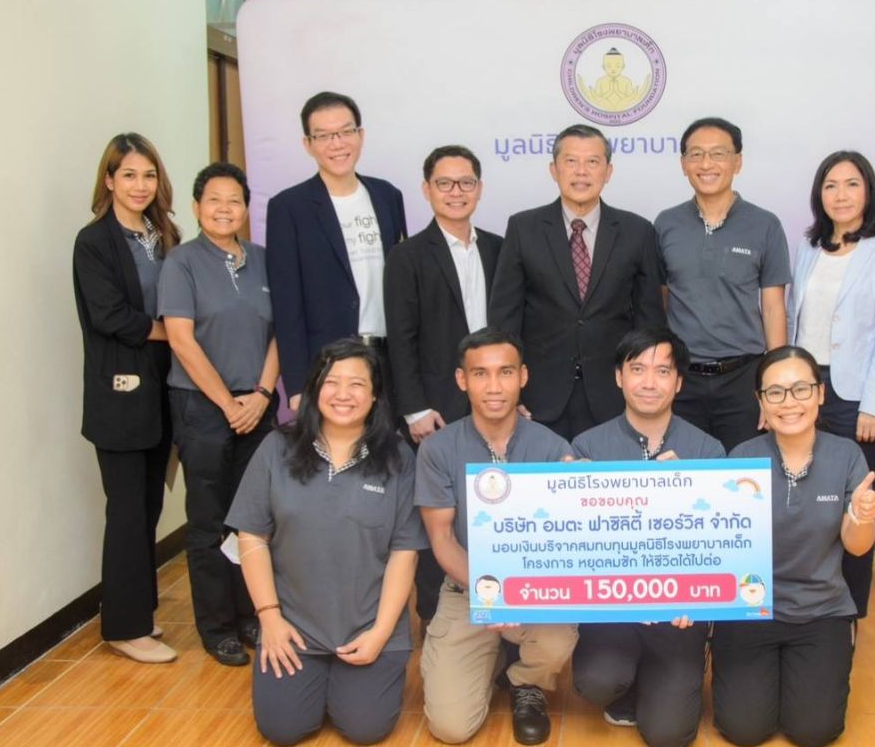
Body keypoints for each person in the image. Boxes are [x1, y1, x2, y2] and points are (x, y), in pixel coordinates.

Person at [226, 338, 425, 745]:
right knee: (282, 730)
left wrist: (381, 632)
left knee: (365, 729)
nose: (343, 394)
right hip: (292, 627)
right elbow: (252, 536)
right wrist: (270, 618)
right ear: (315, 389)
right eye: (332, 382)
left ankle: (350, 682)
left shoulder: (398, 457)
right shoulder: (276, 448)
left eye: (357, 384)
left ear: (375, 395)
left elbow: (404, 553)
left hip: (368, 627)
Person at [415, 328, 578, 745]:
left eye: (505, 372)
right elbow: (442, 539)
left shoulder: (553, 447)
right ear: (461, 379)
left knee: (558, 638)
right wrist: (495, 592)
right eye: (480, 374)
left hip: (537, 593)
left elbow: (571, 536)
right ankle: (485, 660)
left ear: (522, 376)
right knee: (451, 728)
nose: (493, 386)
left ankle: (526, 681)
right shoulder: (437, 449)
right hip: (467, 589)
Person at [714, 347, 875, 747]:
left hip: (822, 610)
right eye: (775, 392)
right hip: (752, 609)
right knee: (744, 730)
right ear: (761, 401)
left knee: (813, 731)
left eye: (801, 389)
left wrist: (861, 517)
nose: (789, 402)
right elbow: (722, 546)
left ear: (820, 393)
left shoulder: (846, 455)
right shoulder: (742, 457)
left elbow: (857, 548)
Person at [569, 327, 725, 747]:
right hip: (611, 613)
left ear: (679, 382)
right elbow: (573, 547)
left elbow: (720, 545)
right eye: (637, 369)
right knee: (597, 681)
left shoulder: (708, 451)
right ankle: (630, 682)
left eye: (662, 371)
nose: (649, 382)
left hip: (679, 615)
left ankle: (668, 679)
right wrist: (572, 495)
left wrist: (686, 489)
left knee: (669, 735)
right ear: (619, 377)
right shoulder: (586, 448)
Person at [157, 162, 280, 666]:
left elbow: (282, 332)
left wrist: (263, 394)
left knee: (252, 518)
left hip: (257, 405)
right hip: (202, 407)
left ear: (246, 209)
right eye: (214, 200)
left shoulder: (265, 260)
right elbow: (181, 341)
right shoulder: (181, 263)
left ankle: (251, 613)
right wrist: (228, 404)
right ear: (195, 207)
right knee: (209, 521)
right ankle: (217, 627)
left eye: (234, 200)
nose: (224, 209)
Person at [72, 133, 182, 663]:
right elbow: (110, 316)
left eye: (149, 175)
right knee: (127, 511)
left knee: (149, 506)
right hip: (120, 397)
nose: (140, 185)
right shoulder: (94, 242)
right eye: (130, 175)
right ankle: (124, 627)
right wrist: (176, 333)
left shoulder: (165, 236)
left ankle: (136, 611)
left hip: (163, 391)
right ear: (109, 179)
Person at [786, 150, 875, 623]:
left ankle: (849, 613)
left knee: (855, 506)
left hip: (857, 396)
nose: (840, 194)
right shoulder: (807, 247)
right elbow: (796, 321)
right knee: (807, 504)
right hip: (805, 392)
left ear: (868, 192)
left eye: (852, 184)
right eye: (830, 185)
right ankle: (809, 604)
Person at [384, 144, 502, 625]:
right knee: (439, 514)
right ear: (427, 189)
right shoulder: (407, 256)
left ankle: (498, 609)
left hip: (496, 400)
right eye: (445, 183)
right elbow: (401, 338)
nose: (456, 192)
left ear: (480, 188)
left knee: (493, 509)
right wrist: (414, 408)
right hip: (435, 408)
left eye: (466, 182)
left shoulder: (499, 248)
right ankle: (437, 620)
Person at [489, 124, 665, 440]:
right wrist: (509, 389)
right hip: (539, 395)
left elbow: (649, 322)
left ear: (608, 171)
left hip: (614, 396)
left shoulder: (637, 231)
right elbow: (505, 320)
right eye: (571, 161)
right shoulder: (523, 228)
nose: (581, 172)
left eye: (592, 162)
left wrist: (645, 389)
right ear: (553, 169)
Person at [655, 117, 791, 450]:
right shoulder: (666, 224)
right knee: (681, 471)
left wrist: (774, 387)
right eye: (696, 154)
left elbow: (774, 310)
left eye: (718, 154)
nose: (706, 164)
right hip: (682, 380)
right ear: (683, 164)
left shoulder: (765, 225)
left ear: (737, 162)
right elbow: (659, 304)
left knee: (744, 473)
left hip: (743, 379)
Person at [266, 91, 407, 410]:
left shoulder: (387, 195)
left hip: (388, 358)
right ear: (308, 144)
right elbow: (287, 304)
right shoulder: (289, 207)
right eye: (324, 136)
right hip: (328, 364)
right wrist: (297, 385)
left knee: (388, 442)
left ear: (361, 135)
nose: (337, 144)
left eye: (345, 132)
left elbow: (403, 283)